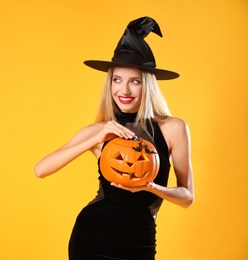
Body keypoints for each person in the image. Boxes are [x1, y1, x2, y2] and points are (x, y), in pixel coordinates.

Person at [34, 16, 194, 260]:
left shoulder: (173, 128)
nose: (124, 90)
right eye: (117, 80)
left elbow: (187, 198)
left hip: (140, 238)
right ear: (110, 84)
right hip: (92, 237)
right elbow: (40, 170)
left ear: (147, 85)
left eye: (135, 82)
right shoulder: (99, 131)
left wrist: (151, 187)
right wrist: (94, 139)